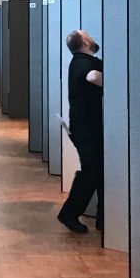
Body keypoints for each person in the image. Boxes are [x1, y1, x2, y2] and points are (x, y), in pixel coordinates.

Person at [57, 30, 103, 233]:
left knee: (99, 171)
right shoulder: (84, 61)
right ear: (85, 42)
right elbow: (92, 77)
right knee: (92, 171)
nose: (93, 38)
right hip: (89, 128)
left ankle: (104, 217)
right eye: (89, 36)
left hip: (86, 126)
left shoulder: (78, 61)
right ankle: (69, 213)